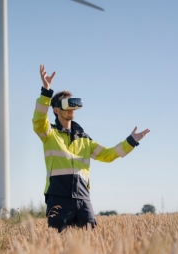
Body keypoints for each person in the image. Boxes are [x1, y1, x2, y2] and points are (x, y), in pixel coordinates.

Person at [33, 64, 150, 232]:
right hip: (58, 197)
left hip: (82, 197)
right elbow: (38, 121)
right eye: (67, 104)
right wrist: (46, 91)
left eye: (73, 104)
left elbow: (108, 155)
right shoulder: (49, 134)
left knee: (91, 241)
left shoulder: (85, 139)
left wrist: (131, 141)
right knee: (57, 243)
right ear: (56, 109)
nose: (72, 108)